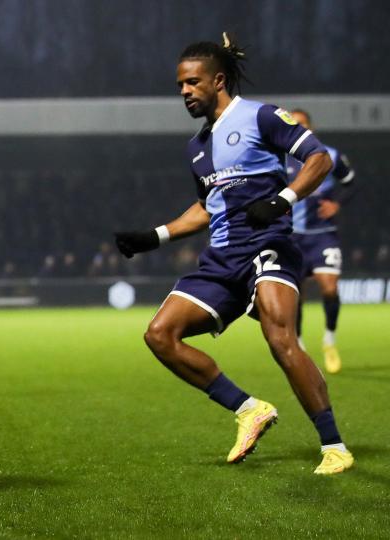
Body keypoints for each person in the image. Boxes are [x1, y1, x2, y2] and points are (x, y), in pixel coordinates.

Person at [114, 34, 353, 474]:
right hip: (222, 260)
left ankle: (334, 445)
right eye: (180, 85)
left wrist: (283, 200)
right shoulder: (197, 147)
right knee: (159, 335)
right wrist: (154, 236)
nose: (183, 91)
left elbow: (318, 159)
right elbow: (207, 208)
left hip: (269, 247)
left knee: (281, 338)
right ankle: (247, 408)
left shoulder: (261, 116)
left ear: (218, 80)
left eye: (191, 83)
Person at [286, 109, 356, 373]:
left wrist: (337, 205)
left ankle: (329, 339)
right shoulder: (278, 160)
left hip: (323, 235)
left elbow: (351, 183)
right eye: (294, 124)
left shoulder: (330, 155)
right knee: (296, 297)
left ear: (312, 127)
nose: (299, 128)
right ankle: (300, 346)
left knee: (329, 288)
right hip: (291, 237)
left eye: (303, 124)